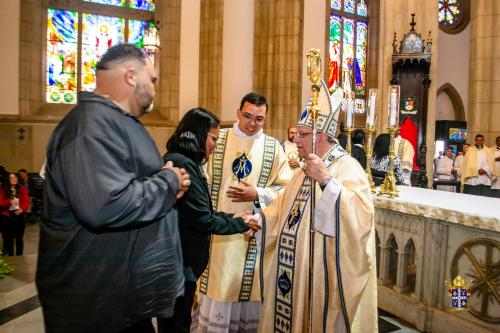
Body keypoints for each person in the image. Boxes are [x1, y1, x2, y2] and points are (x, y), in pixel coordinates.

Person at [36, 44, 191, 333]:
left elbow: (130, 185)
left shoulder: (115, 122)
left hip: (121, 299)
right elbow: (104, 206)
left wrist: (168, 185)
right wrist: (168, 181)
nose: (155, 89)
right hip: (95, 306)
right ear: (131, 76)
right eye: (152, 79)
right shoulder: (89, 127)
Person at [251, 82, 377, 332]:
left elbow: (360, 220)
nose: (296, 140)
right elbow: (282, 207)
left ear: (321, 136)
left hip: (321, 276)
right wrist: (260, 220)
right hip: (294, 273)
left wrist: (327, 182)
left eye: (303, 134)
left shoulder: (347, 167)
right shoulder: (303, 169)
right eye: (296, 134)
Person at [191, 92, 292, 333]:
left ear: (265, 118)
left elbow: (287, 188)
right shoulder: (218, 139)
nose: (252, 123)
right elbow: (198, 175)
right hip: (216, 235)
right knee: (217, 286)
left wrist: (257, 193)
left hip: (252, 235)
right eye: (247, 116)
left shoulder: (273, 148)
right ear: (238, 113)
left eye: (259, 119)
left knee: (247, 291)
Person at [160, 108, 260, 332]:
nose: (215, 144)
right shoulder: (183, 164)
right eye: (213, 138)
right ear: (197, 135)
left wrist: (232, 216)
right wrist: (241, 223)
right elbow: (202, 219)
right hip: (178, 263)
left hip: (181, 264)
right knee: (177, 325)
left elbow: (201, 211)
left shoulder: (187, 162)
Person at [0, 173, 30, 256]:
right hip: (7, 215)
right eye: (11, 178)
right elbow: (0, 202)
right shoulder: (2, 190)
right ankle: (11, 255)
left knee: (19, 237)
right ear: (7, 180)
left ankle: (19, 255)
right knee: (9, 238)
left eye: (15, 177)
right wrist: (9, 201)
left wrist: (22, 209)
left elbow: (27, 201)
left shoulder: (21, 188)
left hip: (19, 214)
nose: (14, 179)